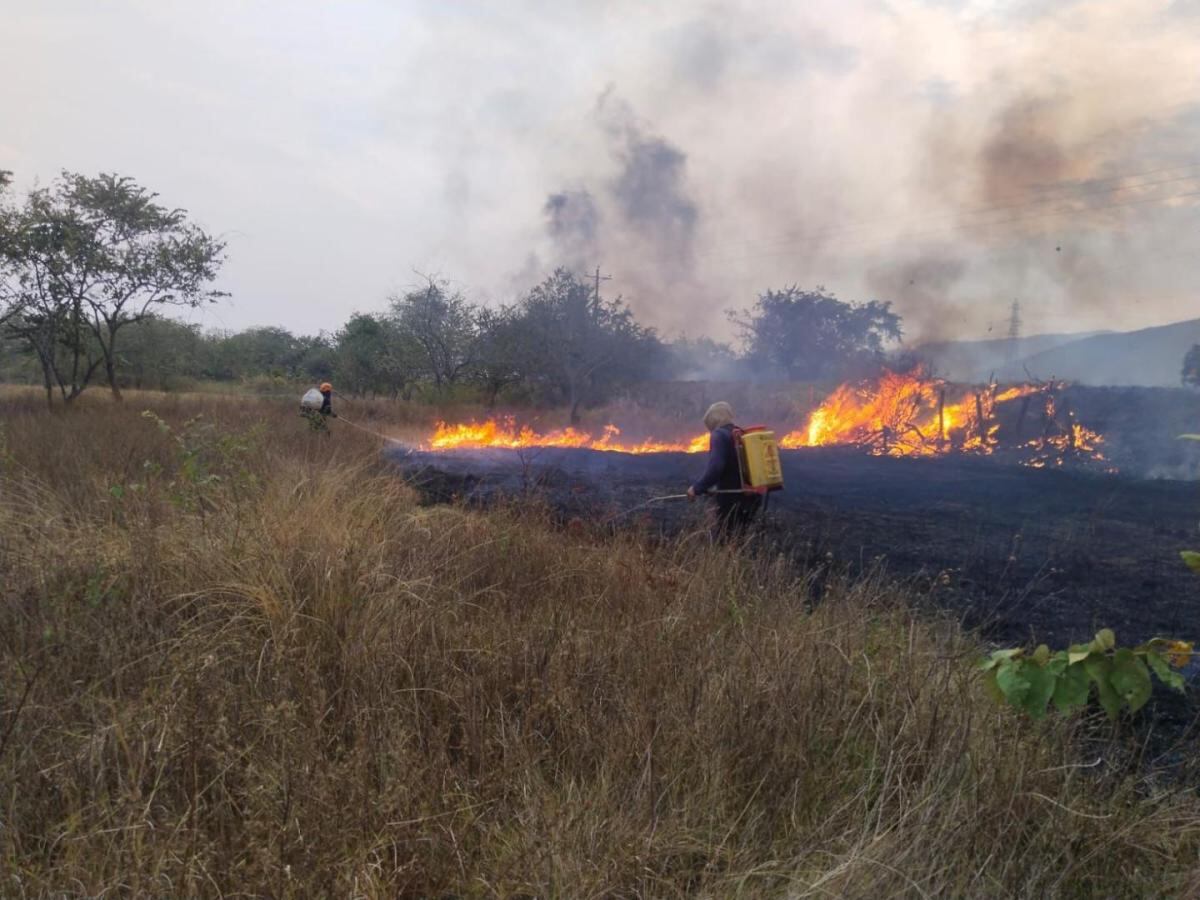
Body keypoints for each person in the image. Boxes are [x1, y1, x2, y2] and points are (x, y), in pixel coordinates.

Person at [687, 401, 760, 537]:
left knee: (723, 541)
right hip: (750, 496)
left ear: (712, 420)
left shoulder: (719, 435)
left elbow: (716, 467)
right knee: (739, 540)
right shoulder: (739, 433)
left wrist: (696, 488)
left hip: (731, 498)